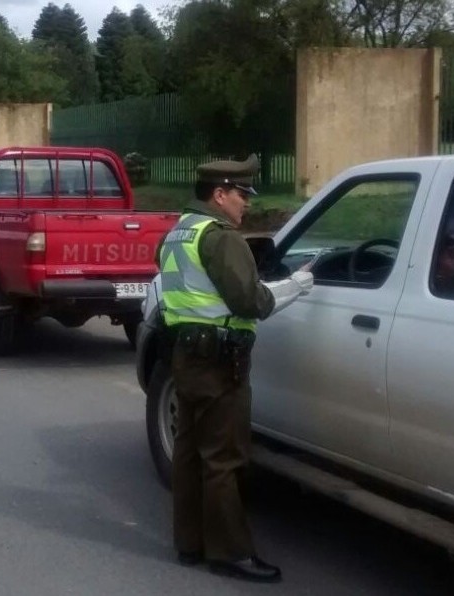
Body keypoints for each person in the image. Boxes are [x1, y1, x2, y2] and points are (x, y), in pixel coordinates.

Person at [158, 154, 313, 583]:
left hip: (187, 355)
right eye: (242, 194)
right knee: (223, 458)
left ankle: (189, 544)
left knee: (190, 454)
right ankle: (230, 553)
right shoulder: (222, 237)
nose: (246, 203)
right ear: (219, 194)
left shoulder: (177, 233)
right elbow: (250, 302)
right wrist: (295, 287)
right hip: (220, 360)